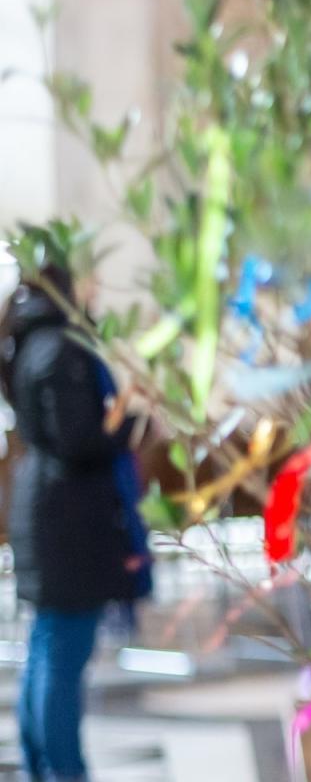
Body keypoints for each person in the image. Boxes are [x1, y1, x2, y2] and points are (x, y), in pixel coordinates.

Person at [1, 261, 151, 782]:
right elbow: (78, 440)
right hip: (67, 524)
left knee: (47, 650)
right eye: (91, 277)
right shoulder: (61, 349)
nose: (98, 288)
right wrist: (130, 419)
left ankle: (45, 767)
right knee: (62, 655)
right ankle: (64, 771)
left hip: (47, 513)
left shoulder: (30, 341)